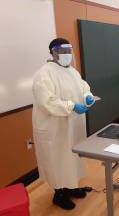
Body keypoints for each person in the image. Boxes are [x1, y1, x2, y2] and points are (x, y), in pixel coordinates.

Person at [32, 38, 95, 210]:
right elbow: (47, 101)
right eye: (63, 52)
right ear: (53, 53)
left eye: (69, 51)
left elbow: (83, 87)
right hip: (55, 128)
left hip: (72, 126)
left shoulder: (72, 72)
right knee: (58, 159)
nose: (67, 55)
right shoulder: (44, 74)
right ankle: (59, 194)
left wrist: (87, 95)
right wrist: (72, 106)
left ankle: (71, 186)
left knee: (71, 158)